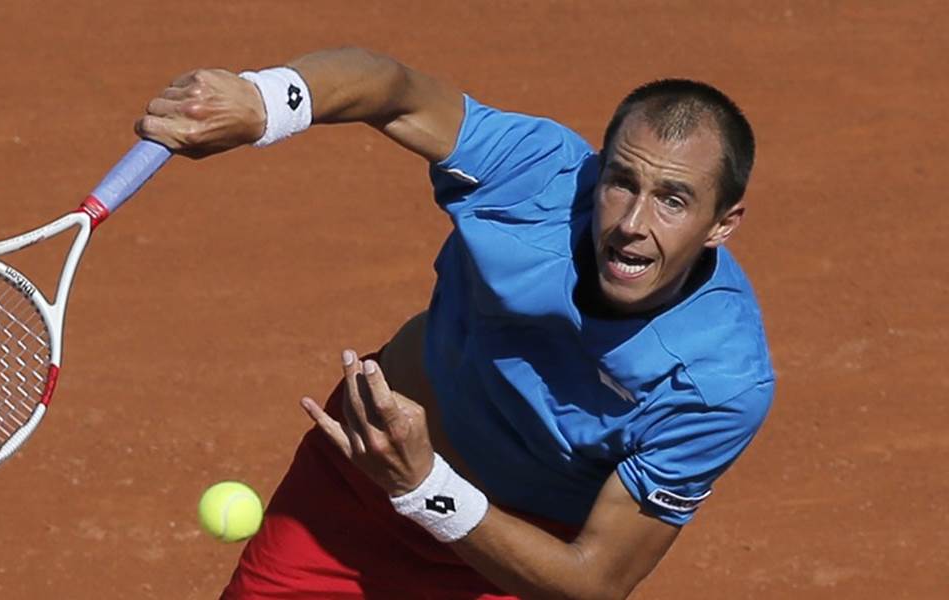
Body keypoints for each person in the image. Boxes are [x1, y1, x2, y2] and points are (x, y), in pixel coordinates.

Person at [136, 47, 774, 599]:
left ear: (723, 224)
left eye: (673, 200)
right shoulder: (539, 175)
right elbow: (394, 90)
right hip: (354, 491)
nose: (633, 222)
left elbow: (596, 580)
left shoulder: (719, 379)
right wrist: (264, 100)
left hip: (507, 559)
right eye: (621, 182)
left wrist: (425, 487)